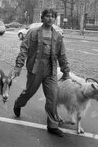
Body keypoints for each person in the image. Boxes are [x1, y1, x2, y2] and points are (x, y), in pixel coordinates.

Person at [12, 8, 71, 137]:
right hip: (35, 68)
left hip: (51, 70)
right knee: (29, 92)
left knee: (53, 96)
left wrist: (66, 71)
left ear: (55, 19)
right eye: (48, 16)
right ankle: (18, 103)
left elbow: (62, 55)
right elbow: (24, 50)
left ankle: (52, 126)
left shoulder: (58, 36)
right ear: (42, 18)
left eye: (52, 17)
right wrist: (18, 66)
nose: (50, 19)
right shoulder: (32, 33)